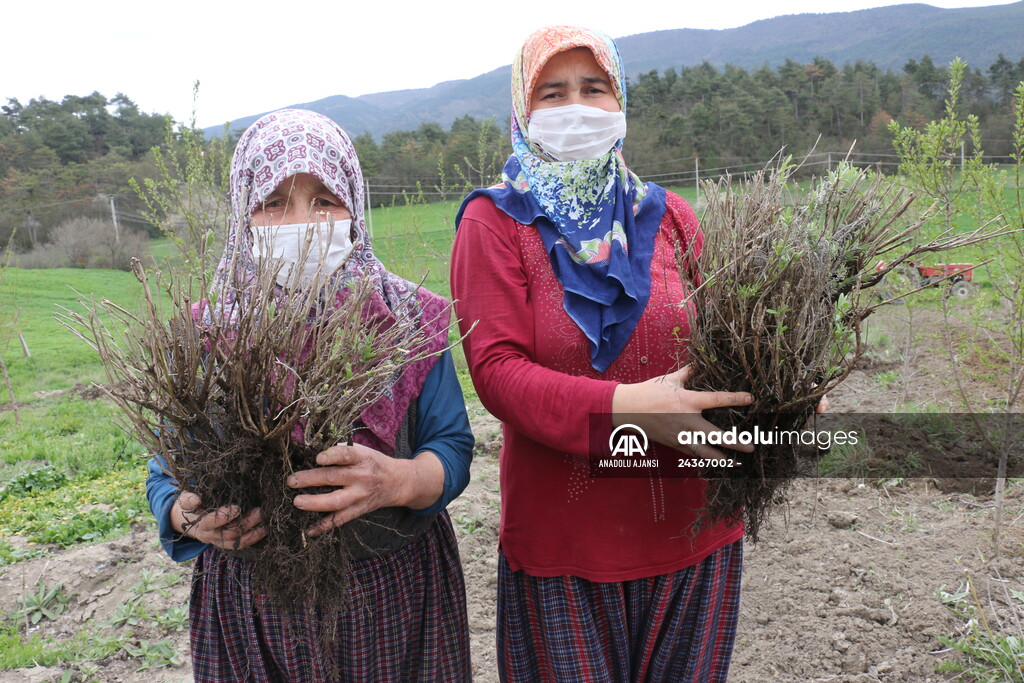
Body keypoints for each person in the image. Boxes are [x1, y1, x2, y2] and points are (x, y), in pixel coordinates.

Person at [451, 26, 754, 681]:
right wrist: (630, 408)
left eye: (594, 89)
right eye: (552, 94)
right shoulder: (495, 223)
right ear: (522, 113)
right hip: (567, 545)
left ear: (620, 103)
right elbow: (498, 375)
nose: (577, 108)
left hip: (697, 532)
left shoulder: (667, 213)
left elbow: (730, 340)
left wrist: (785, 387)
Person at [146, 108, 474, 682]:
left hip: (392, 589)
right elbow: (164, 471)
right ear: (242, 217)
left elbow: (452, 447)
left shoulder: (407, 320)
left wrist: (397, 480)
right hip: (253, 605)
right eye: (274, 203)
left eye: (325, 200)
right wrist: (184, 515)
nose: (304, 223)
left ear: (355, 207)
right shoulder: (206, 332)